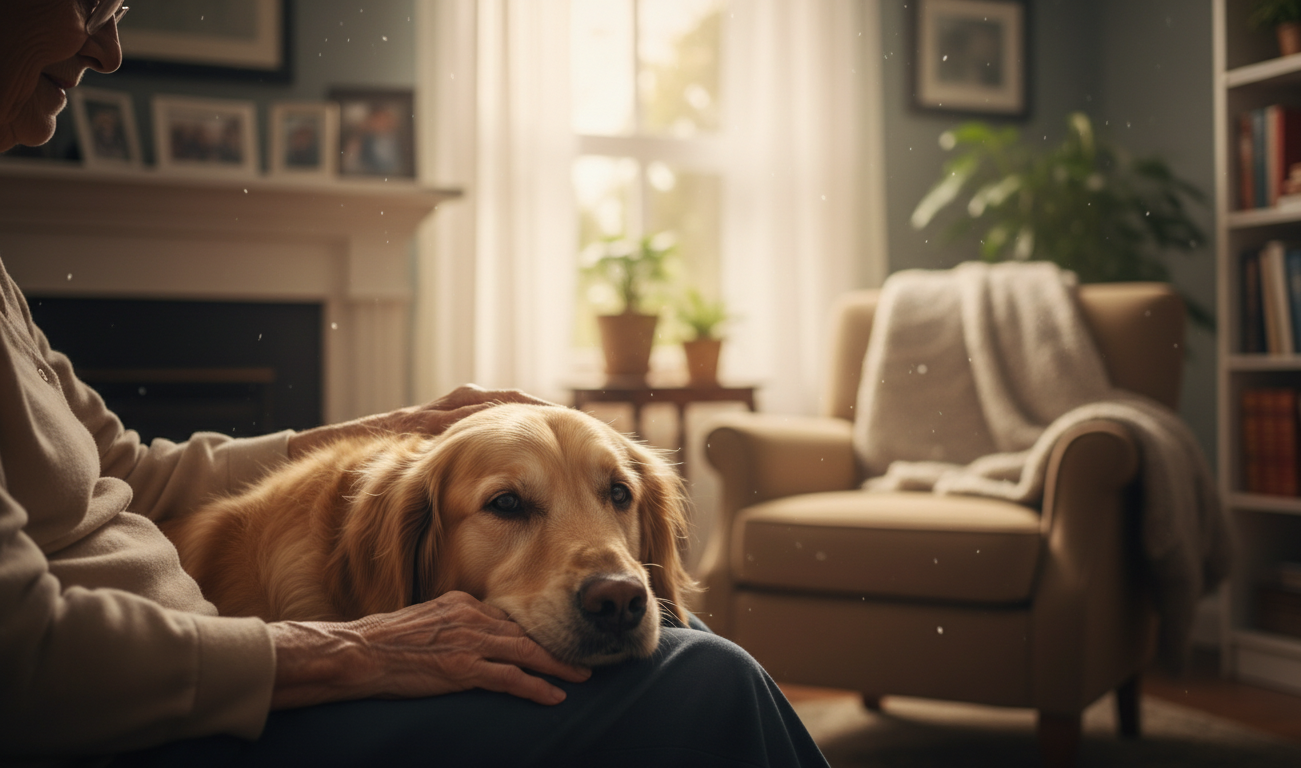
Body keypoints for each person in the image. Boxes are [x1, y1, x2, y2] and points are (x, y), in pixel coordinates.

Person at [0, 2, 829, 766]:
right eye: (90, 2)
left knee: (687, 647)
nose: (108, 49)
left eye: (119, 12)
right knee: (707, 682)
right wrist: (361, 651)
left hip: (212, 663)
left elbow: (133, 476)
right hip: (173, 720)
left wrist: (400, 424)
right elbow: (21, 660)